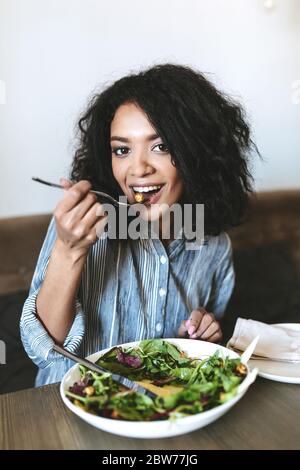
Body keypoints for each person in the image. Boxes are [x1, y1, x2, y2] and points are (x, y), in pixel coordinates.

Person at [20, 63, 255, 386]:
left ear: (196, 153)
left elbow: (197, 345)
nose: (138, 168)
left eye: (161, 146)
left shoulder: (212, 245)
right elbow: (42, 349)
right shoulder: (84, 226)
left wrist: (203, 332)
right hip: (69, 415)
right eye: (122, 149)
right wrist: (69, 251)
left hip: (162, 413)